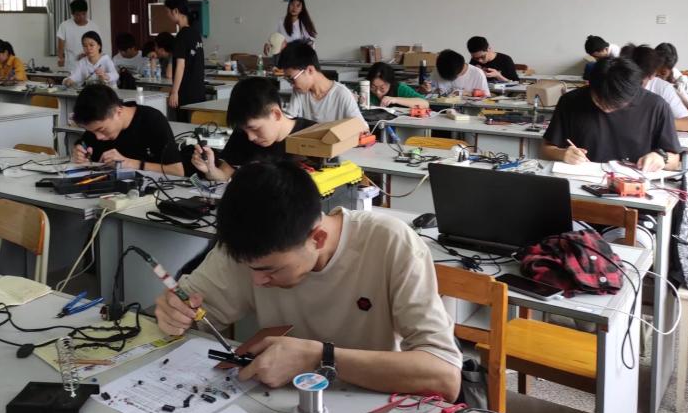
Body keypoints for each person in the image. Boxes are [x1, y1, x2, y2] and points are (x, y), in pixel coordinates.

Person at [155, 160, 462, 397]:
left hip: (369, 404)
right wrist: (173, 313)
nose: (258, 281)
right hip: (278, 406)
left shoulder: (390, 242)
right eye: (251, 269)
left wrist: (320, 357)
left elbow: (445, 376)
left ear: (317, 238)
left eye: (271, 270)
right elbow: (190, 316)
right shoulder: (246, 249)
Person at [542, 57, 681, 171]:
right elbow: (546, 148)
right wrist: (562, 154)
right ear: (590, 86)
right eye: (599, 101)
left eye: (616, 104)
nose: (606, 109)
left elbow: (675, 161)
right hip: (581, 183)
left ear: (632, 94)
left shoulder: (656, 106)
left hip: (634, 187)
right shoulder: (570, 101)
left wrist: (661, 158)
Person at [193, 77, 314, 182]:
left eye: (254, 128)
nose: (250, 137)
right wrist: (210, 170)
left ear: (276, 114)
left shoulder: (313, 136)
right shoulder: (242, 134)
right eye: (245, 130)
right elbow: (224, 175)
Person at [70, 84, 183, 175]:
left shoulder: (152, 120)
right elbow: (83, 146)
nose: (98, 137)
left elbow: (177, 171)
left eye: (102, 129)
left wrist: (131, 163)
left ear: (118, 112)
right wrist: (78, 153)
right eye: (92, 131)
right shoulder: (97, 125)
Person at [277, 42, 366, 131]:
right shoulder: (299, 92)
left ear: (310, 70)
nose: (291, 85)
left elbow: (363, 129)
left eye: (292, 79)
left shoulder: (341, 94)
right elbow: (289, 119)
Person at [621, 44, 688, 132]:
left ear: (650, 75)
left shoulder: (662, 88)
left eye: (662, 73)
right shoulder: (614, 86)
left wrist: (654, 122)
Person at [164, 0, 205, 109]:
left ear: (175, 11)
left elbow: (181, 66)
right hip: (199, 90)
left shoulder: (181, 36)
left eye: (168, 12)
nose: (167, 15)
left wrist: (174, 92)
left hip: (185, 92)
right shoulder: (195, 33)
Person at [56, 0, 102, 68]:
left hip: (90, 65)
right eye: (78, 15)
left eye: (83, 14)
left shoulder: (93, 26)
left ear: (86, 12)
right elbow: (60, 46)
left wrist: (87, 54)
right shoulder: (65, 25)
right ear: (72, 14)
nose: (81, 17)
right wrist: (61, 58)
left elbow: (98, 46)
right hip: (71, 65)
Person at [655, 42, 688, 111]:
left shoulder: (675, 73)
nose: (661, 75)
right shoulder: (648, 73)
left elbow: (681, 91)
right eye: (661, 72)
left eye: (663, 73)